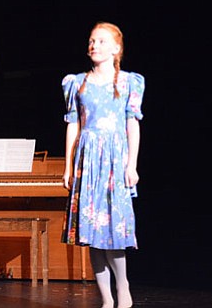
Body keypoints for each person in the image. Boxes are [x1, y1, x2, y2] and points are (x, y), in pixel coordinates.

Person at [61, 22, 145, 308]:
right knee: (92, 232)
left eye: (101, 41)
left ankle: (123, 286)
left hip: (114, 160)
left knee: (114, 230)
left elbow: (132, 125)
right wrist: (69, 167)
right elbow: (73, 126)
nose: (94, 45)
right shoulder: (77, 82)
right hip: (88, 161)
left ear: (116, 48)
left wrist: (131, 164)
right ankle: (106, 299)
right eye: (92, 40)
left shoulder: (128, 82)